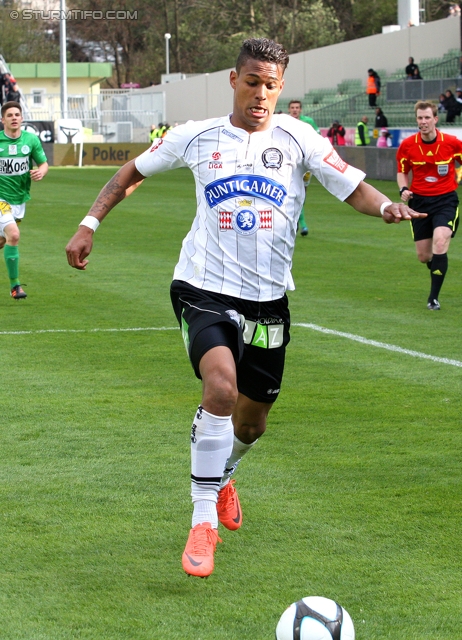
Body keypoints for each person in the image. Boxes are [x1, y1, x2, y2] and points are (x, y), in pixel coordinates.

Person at [66, 38, 424, 579]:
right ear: (233, 80)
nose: (261, 94)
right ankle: (202, 519)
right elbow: (129, 174)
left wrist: (387, 207)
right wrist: (89, 223)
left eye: (271, 84)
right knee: (220, 389)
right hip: (202, 287)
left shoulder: (299, 138)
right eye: (252, 81)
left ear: (281, 87)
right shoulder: (197, 136)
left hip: (269, 300)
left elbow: (352, 187)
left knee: (251, 424)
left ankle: (224, 472)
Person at [397, 101, 462, 310]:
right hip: (420, 202)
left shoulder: (451, 143)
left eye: (427, 118)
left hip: (446, 200)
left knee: (441, 242)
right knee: (424, 256)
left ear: (435, 119)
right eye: (420, 118)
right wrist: (403, 189)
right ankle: (436, 269)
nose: (423, 122)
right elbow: (402, 170)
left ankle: (433, 298)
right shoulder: (408, 145)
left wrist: (457, 177)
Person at [0, 101, 48, 299]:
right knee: (14, 234)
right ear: (2, 119)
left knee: (4, 241)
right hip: (1, 198)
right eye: (9, 115)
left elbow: (43, 164)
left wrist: (41, 172)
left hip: (19, 200)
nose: (14, 118)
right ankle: (15, 286)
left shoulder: (31, 140)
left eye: (17, 114)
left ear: (21, 118)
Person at [288, 99, 320, 236]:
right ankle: (302, 224)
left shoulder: (308, 122)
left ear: (300, 109)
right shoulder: (285, 123)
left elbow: (318, 139)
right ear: (289, 109)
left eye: (297, 107)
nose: (295, 110)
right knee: (293, 193)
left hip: (305, 164)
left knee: (301, 195)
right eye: (292, 107)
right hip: (290, 163)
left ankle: (296, 222)